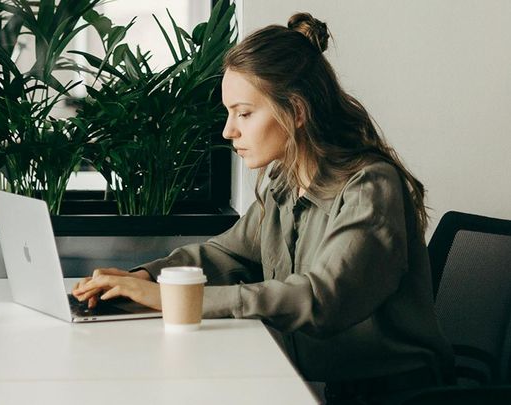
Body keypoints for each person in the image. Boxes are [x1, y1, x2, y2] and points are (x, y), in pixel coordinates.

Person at [73, 12, 454, 404]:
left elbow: (322, 299)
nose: (228, 130)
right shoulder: (284, 182)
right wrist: (146, 278)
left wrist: (172, 299)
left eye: (244, 112)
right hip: (311, 383)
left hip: (395, 395)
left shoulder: (370, 187)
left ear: (297, 112)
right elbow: (225, 253)